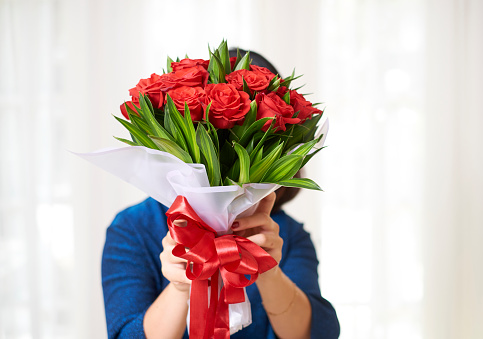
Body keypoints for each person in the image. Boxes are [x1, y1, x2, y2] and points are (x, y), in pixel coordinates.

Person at [101, 51, 340, 339]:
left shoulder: (284, 235)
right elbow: (125, 334)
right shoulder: (133, 228)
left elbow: (320, 333)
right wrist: (180, 286)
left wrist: (268, 272)